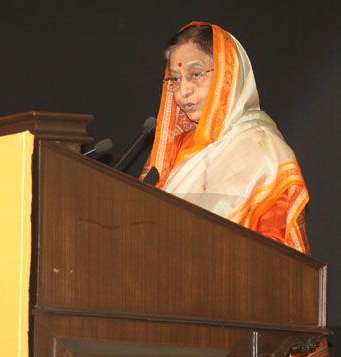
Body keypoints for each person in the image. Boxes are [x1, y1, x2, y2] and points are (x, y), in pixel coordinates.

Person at [140, 22, 328, 356]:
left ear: (228, 74)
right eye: (174, 79)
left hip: (239, 331)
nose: (182, 92)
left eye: (195, 75)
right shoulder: (175, 154)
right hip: (168, 324)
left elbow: (280, 264)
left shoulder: (262, 149)